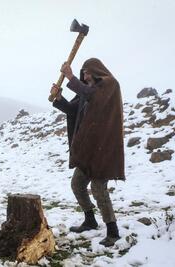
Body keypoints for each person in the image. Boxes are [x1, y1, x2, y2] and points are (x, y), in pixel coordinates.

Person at [50, 58, 125, 247]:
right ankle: (90, 220)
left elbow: (95, 96)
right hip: (88, 151)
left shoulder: (110, 85)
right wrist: (59, 97)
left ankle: (113, 231)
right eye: (83, 73)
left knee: (99, 189)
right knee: (77, 184)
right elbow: (72, 110)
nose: (84, 76)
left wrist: (69, 76)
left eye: (87, 72)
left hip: (103, 151)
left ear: (97, 71)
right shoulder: (87, 93)